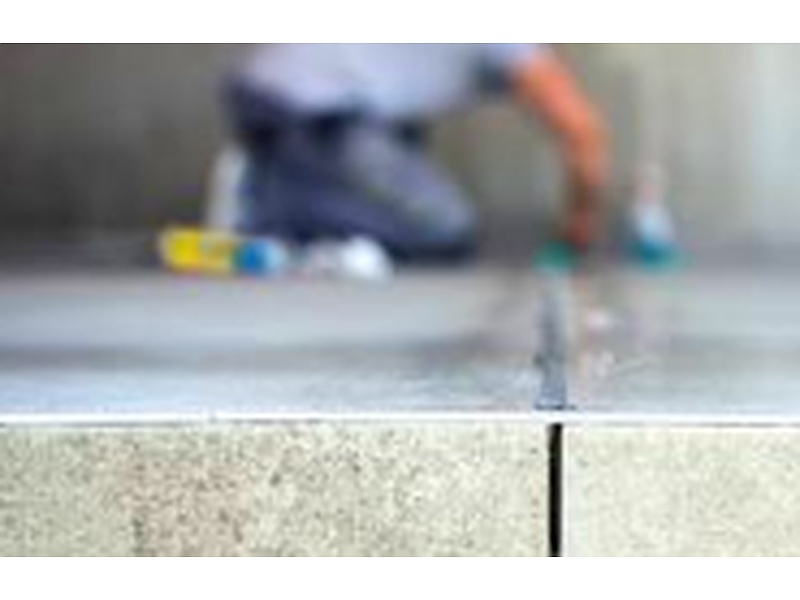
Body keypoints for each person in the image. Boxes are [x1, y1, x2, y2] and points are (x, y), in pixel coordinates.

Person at [218, 44, 607, 262]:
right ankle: (296, 225)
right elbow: (581, 131)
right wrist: (580, 222)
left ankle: (272, 193)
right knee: (445, 230)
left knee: (406, 143)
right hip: (321, 113)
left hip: (264, 94)